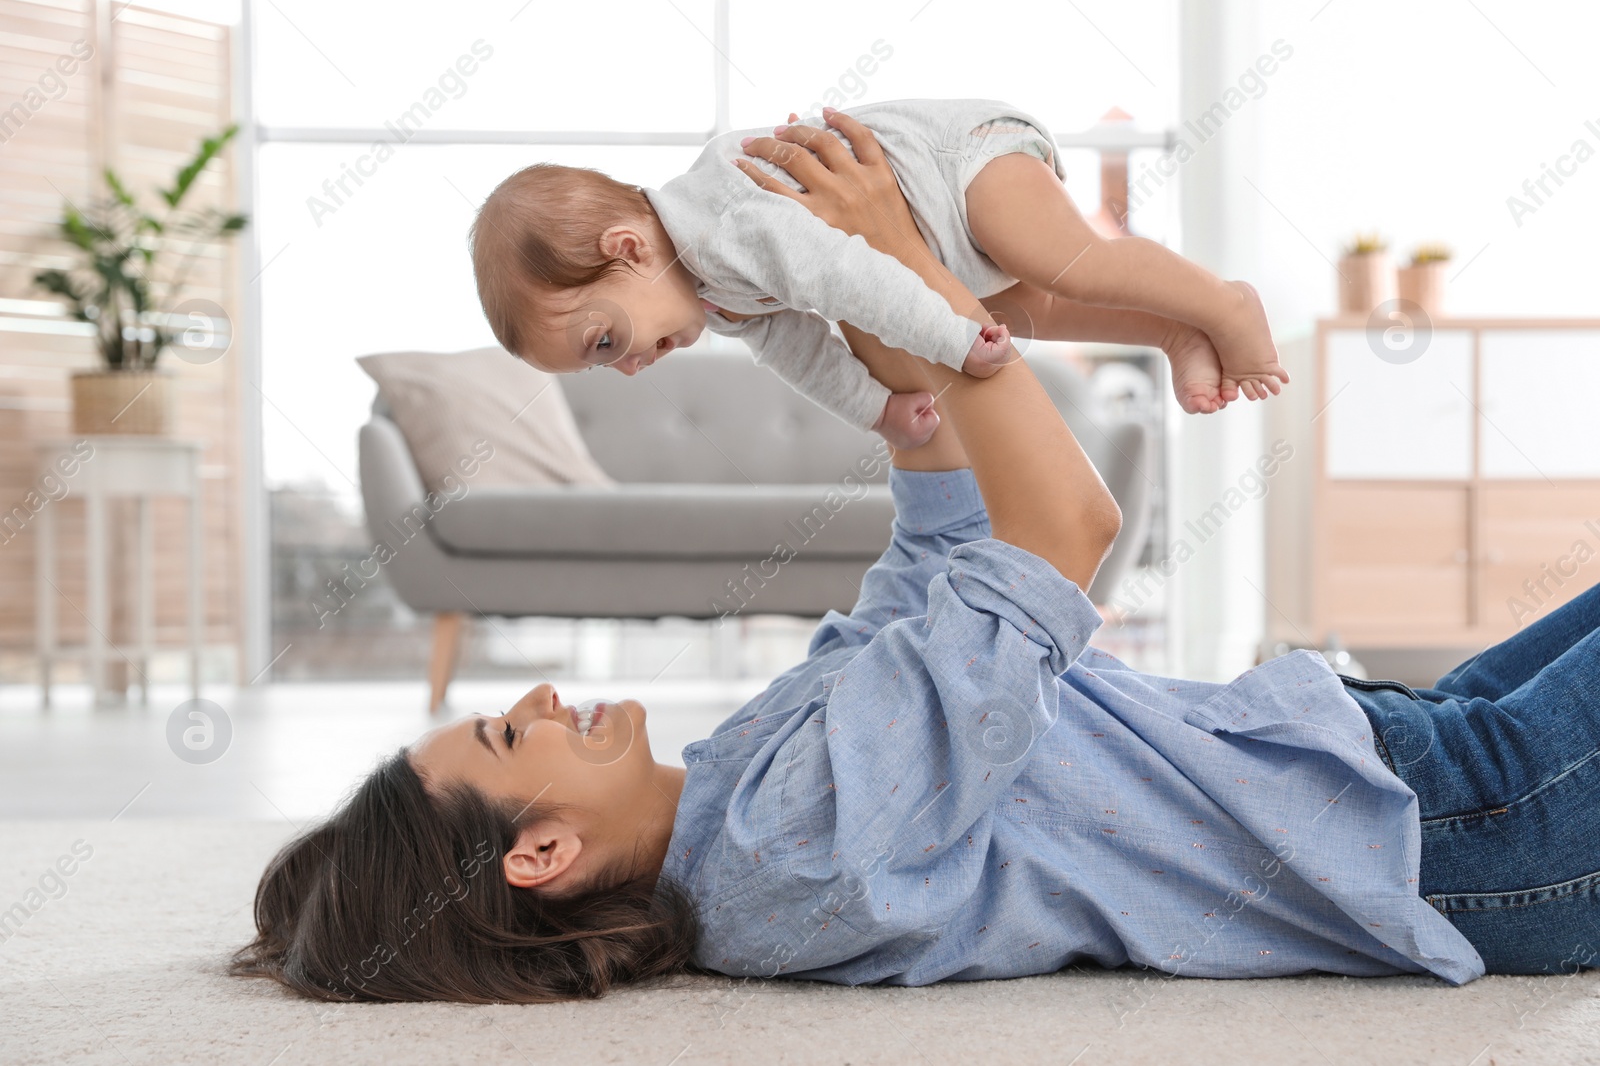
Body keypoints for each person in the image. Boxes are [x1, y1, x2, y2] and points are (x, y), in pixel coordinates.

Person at [234, 116, 1598, 1005]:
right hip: (1461, 829)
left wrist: (897, 338)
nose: (533, 699)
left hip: (1392, 745)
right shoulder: (793, 851)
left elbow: (950, 554)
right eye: (502, 727)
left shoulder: (731, 780)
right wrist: (905, 271)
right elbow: (1062, 535)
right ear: (540, 849)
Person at [468, 99, 1287, 450]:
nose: (633, 364)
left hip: (964, 164)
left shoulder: (728, 224)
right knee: (1035, 307)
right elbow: (800, 350)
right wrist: (879, 408)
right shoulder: (717, 293)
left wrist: (955, 338)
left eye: (606, 339)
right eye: (607, 365)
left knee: (1067, 262)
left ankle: (1223, 303)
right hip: (944, 231)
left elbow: (853, 278)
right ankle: (1175, 329)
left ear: (629, 248)